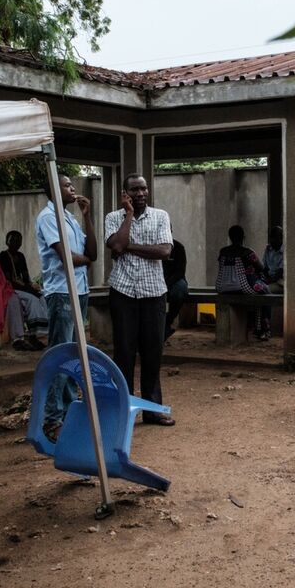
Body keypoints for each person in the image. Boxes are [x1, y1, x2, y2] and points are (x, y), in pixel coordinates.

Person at [105, 174, 175, 426]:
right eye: (134, 190)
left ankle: (153, 410)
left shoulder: (161, 216)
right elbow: (115, 245)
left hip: (154, 293)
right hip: (123, 293)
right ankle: (123, 409)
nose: (141, 193)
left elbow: (165, 251)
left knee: (152, 352)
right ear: (125, 193)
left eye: (144, 188)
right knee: (123, 353)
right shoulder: (113, 218)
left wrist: (127, 247)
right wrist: (128, 215)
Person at [35, 174, 98, 441]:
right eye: (67, 185)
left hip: (80, 290)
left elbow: (92, 254)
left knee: (74, 355)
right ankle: (52, 418)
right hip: (62, 293)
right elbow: (67, 257)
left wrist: (87, 215)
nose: (73, 188)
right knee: (61, 354)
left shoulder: (71, 218)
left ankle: (69, 410)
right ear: (52, 188)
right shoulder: (48, 217)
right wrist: (85, 260)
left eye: (73, 185)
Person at [0, 229, 46, 351]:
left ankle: (34, 335)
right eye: (12, 240)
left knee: (41, 297)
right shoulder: (1, 256)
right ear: (7, 241)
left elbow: (24, 276)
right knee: (24, 300)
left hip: (6, 288)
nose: (15, 243)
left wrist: (31, 287)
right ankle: (13, 339)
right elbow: (5, 278)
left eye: (18, 240)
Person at [215, 225, 270, 339]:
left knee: (260, 288)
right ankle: (261, 328)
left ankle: (252, 324)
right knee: (266, 292)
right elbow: (261, 268)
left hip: (222, 287)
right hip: (244, 287)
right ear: (243, 237)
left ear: (230, 237)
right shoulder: (247, 252)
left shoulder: (223, 251)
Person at [163, 239, 189, 341]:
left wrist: (167, 284)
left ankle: (168, 320)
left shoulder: (178, 247)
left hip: (174, 281)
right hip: (156, 281)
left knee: (180, 290)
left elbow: (180, 271)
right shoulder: (153, 245)